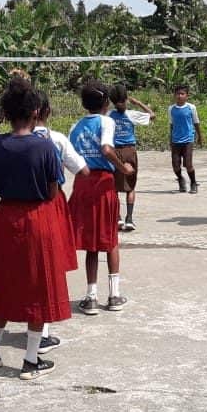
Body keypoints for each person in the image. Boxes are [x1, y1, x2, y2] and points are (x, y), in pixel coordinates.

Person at [0, 78, 71, 380]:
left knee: (5, 282)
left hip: (5, 218)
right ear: (35, 112)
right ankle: (31, 360)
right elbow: (53, 191)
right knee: (37, 286)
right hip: (37, 218)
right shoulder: (44, 147)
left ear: (6, 113)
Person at [68, 81, 134, 315]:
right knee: (110, 239)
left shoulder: (75, 127)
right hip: (103, 183)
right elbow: (106, 149)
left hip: (83, 183)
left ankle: (91, 297)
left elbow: (70, 158)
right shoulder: (107, 121)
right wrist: (122, 168)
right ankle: (114, 295)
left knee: (91, 244)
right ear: (106, 102)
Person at [31, 92, 88, 354]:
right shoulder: (56, 139)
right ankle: (41, 332)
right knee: (50, 265)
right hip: (50, 202)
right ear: (47, 112)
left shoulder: (12, 141)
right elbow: (82, 169)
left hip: (17, 205)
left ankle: (35, 328)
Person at [108, 84, 154, 231]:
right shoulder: (131, 114)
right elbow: (152, 115)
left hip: (114, 152)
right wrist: (139, 103)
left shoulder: (108, 115)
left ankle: (118, 219)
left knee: (114, 187)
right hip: (129, 151)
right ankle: (129, 218)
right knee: (131, 186)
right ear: (126, 99)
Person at [168, 84, 203, 193]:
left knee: (188, 164)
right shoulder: (171, 109)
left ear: (187, 96)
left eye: (182, 94)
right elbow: (171, 125)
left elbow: (196, 122)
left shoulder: (191, 107)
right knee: (175, 165)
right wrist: (170, 139)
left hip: (188, 139)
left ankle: (193, 183)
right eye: (177, 94)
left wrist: (200, 136)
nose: (179, 96)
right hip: (175, 140)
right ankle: (181, 179)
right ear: (174, 95)